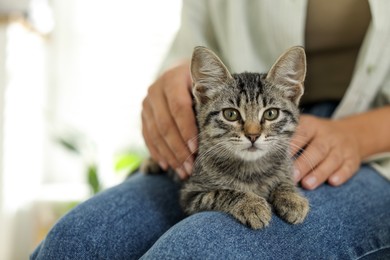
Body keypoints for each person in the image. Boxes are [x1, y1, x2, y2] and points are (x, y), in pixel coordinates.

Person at [32, 1, 390, 259]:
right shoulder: (241, 123)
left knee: (199, 249)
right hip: (222, 132)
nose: (252, 130)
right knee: (75, 241)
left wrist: (359, 135)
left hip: (371, 142)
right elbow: (192, 40)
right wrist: (177, 85)